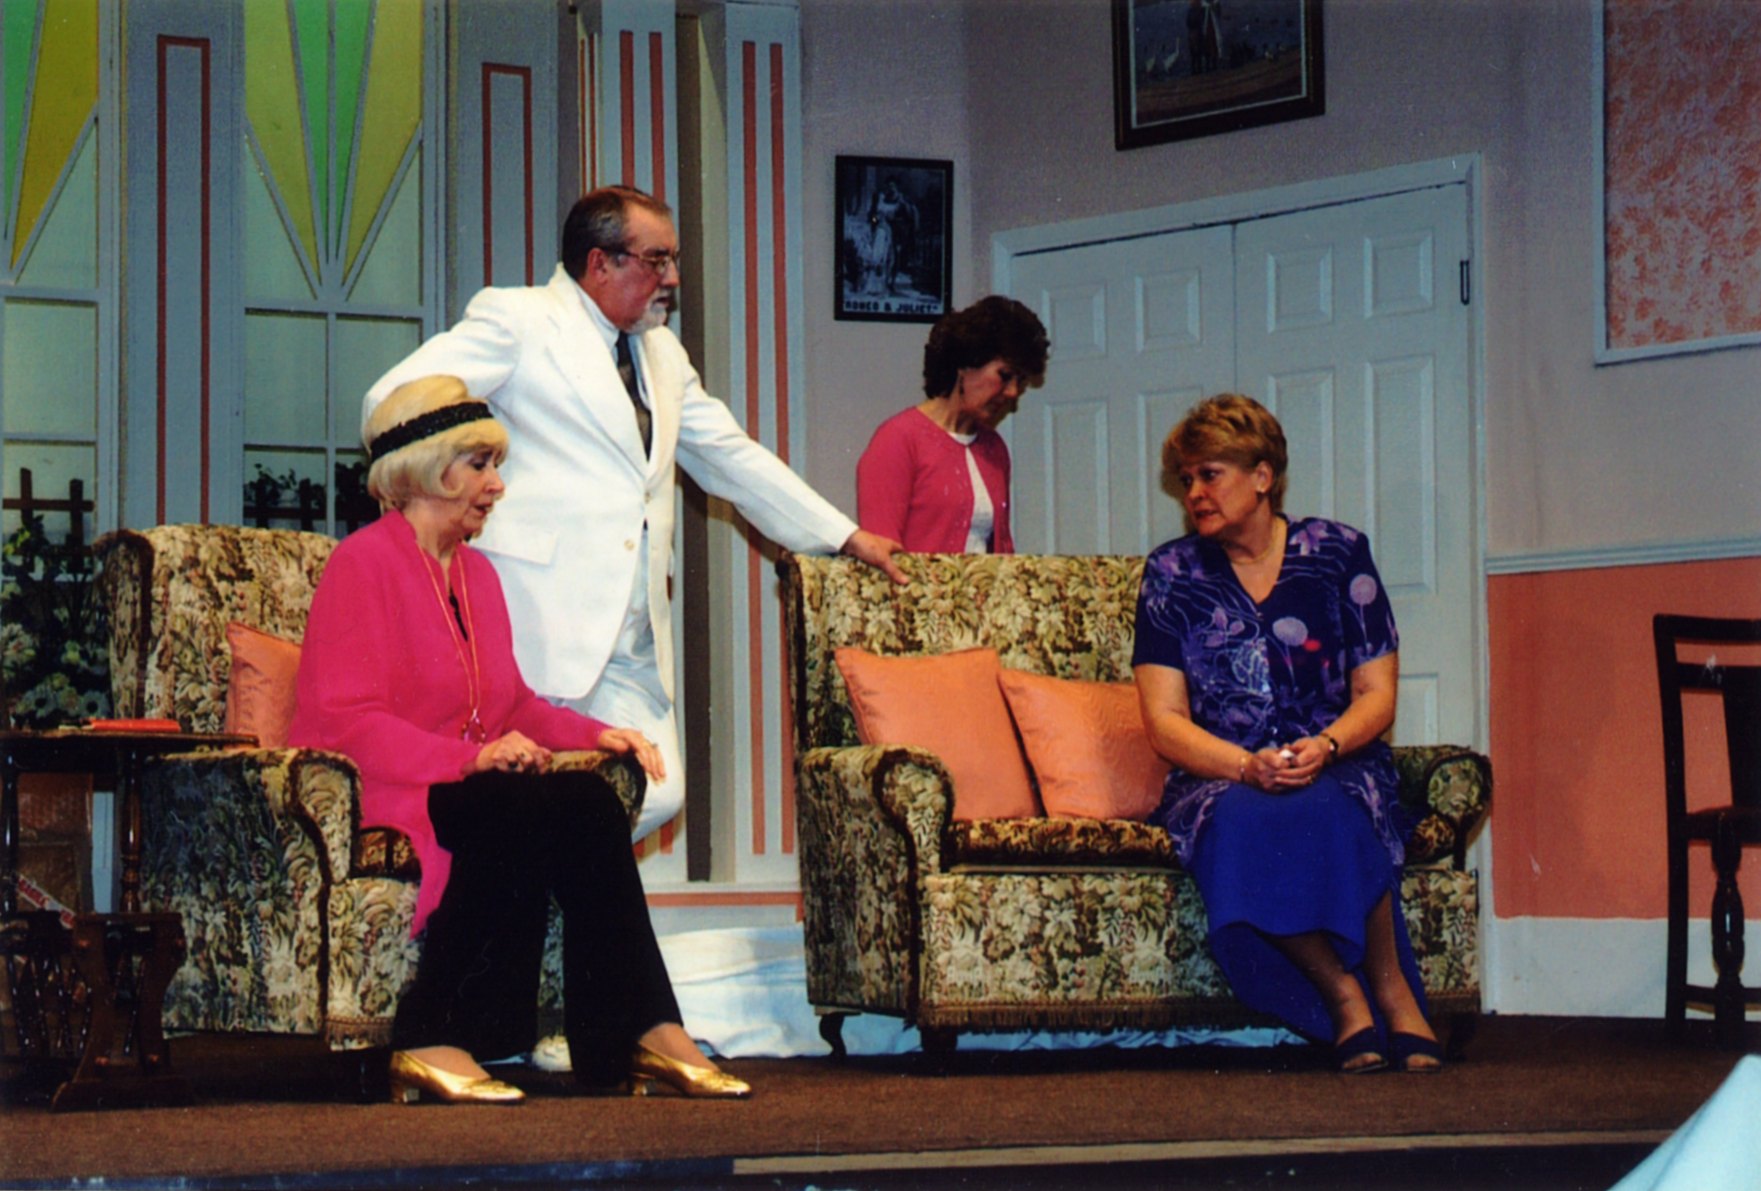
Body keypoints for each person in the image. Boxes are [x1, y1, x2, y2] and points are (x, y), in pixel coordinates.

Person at [364, 186, 904, 850]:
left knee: (658, 787)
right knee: (542, 794)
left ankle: (521, 889)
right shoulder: (520, 320)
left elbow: (728, 456)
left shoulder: (661, 353)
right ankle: (511, 895)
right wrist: (436, 492)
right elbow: (389, 400)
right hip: (540, 613)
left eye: (672, 260)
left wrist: (844, 535)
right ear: (600, 263)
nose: (672, 278)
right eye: (656, 260)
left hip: (636, 628)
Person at [288, 375, 750, 1103]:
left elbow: (515, 703)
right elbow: (348, 722)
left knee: (587, 799)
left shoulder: (478, 575)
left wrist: (601, 733)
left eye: (495, 466)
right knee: (515, 804)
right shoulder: (361, 563)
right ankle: (428, 1034)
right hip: (392, 790)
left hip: (469, 789)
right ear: (427, 469)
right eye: (480, 465)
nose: (496, 486)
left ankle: (641, 1031)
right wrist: (471, 757)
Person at [1131, 393, 1443, 1074]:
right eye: (1185, 479)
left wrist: (1325, 747)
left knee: (1334, 803)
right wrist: (1246, 766)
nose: (1193, 493)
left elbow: (1376, 695)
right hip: (1222, 771)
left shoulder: (1337, 554)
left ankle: (1393, 992)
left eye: (1209, 474)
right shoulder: (1170, 574)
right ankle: (1343, 997)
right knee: (1244, 818)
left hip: (1336, 757)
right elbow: (1163, 720)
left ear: (1262, 476)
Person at [854, 296, 1048, 553]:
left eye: (1020, 382)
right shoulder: (898, 439)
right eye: (1005, 375)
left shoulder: (994, 447)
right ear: (966, 364)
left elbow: (1003, 554)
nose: (1013, 392)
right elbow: (881, 555)